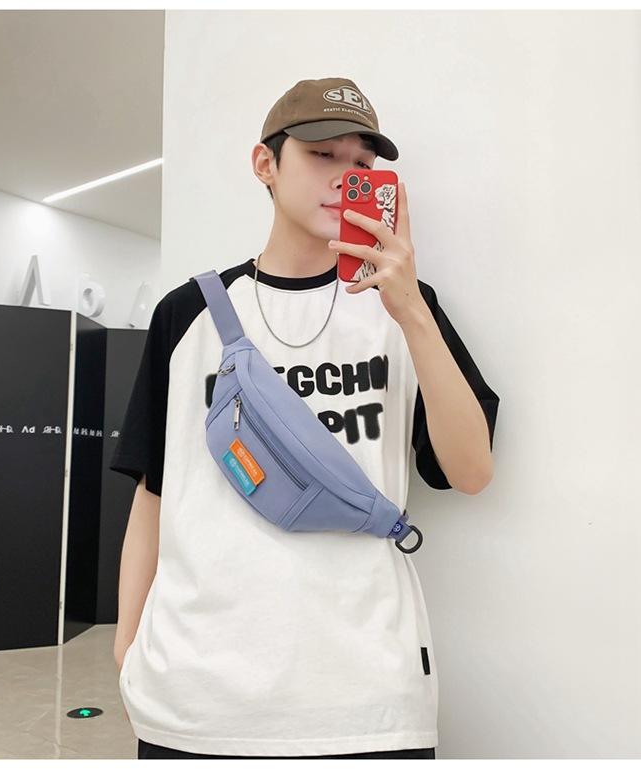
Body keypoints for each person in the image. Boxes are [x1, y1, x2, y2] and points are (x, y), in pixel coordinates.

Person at [110, 76, 500, 759]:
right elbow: (154, 494)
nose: (344, 176)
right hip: (195, 699)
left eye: (361, 164)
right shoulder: (187, 313)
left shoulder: (404, 309)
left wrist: (410, 308)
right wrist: (127, 649)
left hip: (366, 700)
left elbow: (469, 472)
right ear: (266, 163)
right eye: (323, 155)